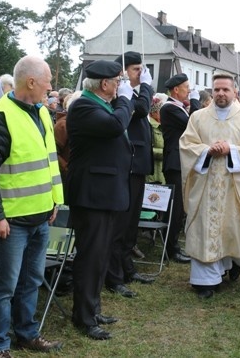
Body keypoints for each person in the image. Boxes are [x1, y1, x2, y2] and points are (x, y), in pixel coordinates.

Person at [0, 55, 63, 356]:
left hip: (39, 217)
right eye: (48, 81)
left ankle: (27, 334)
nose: (52, 87)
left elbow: (48, 164)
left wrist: (53, 202)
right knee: (5, 286)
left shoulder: (41, 113)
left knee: (32, 280)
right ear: (32, 81)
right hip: (12, 221)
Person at [180, 73, 240, 299]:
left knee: (231, 230)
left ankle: (234, 261)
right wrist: (206, 151)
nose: (220, 93)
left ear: (234, 93)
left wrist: (232, 150)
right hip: (205, 187)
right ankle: (205, 281)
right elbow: (186, 146)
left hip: (234, 187)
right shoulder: (197, 117)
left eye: (225, 90)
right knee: (205, 229)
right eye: (216, 89)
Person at [66, 60, 134, 340]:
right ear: (104, 84)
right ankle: (84, 317)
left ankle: (92, 310)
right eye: (117, 82)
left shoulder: (102, 104)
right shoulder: (83, 105)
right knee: (90, 257)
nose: (119, 86)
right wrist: (126, 101)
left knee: (101, 255)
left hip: (104, 192)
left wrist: (129, 99)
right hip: (92, 194)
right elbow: (116, 125)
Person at [104, 52, 156, 299]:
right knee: (120, 225)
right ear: (123, 72)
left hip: (138, 166)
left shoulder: (132, 94)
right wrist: (146, 85)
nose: (141, 73)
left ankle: (127, 268)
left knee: (131, 224)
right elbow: (144, 108)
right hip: (127, 166)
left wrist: (142, 87)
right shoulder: (120, 96)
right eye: (137, 69)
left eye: (142, 70)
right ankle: (114, 276)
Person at [160, 73, 201, 263]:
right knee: (176, 208)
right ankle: (171, 247)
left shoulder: (176, 107)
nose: (189, 90)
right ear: (176, 90)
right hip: (174, 162)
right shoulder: (169, 108)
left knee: (180, 207)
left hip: (180, 161)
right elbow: (194, 124)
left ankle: (173, 244)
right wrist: (195, 102)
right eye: (186, 87)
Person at [146, 93, 168, 184]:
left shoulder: (164, 126)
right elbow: (148, 150)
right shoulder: (149, 126)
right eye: (162, 111)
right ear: (155, 112)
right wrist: (166, 153)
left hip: (163, 174)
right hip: (152, 176)